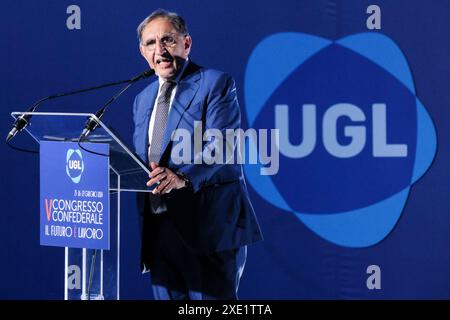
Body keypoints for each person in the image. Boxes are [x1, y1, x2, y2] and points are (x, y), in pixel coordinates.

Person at [132, 9, 262, 300]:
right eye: (151, 43)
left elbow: (224, 144)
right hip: (159, 229)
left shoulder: (214, 83)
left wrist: (182, 177)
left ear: (186, 44)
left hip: (208, 226)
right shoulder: (141, 101)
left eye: (167, 40)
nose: (160, 50)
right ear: (143, 52)